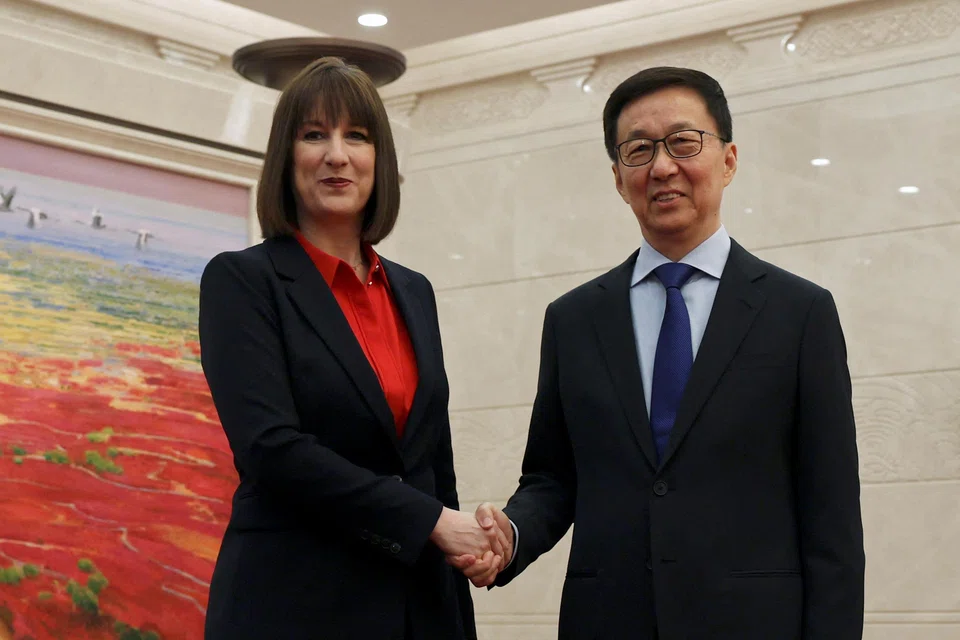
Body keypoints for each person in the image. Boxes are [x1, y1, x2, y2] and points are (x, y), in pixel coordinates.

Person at [454, 67, 866, 639]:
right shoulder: (574, 319)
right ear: (619, 179)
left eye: (682, 142)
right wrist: (511, 536)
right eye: (639, 150)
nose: (662, 166)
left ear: (728, 160)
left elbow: (833, 519)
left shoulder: (800, 313)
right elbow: (553, 476)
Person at [199, 57, 506, 640]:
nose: (336, 155)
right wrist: (433, 522)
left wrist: (468, 548)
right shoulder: (243, 280)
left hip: (419, 606)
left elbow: (431, 459)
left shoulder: (413, 290)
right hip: (294, 604)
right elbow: (272, 449)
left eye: (356, 137)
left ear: (378, 160)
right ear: (286, 159)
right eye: (314, 134)